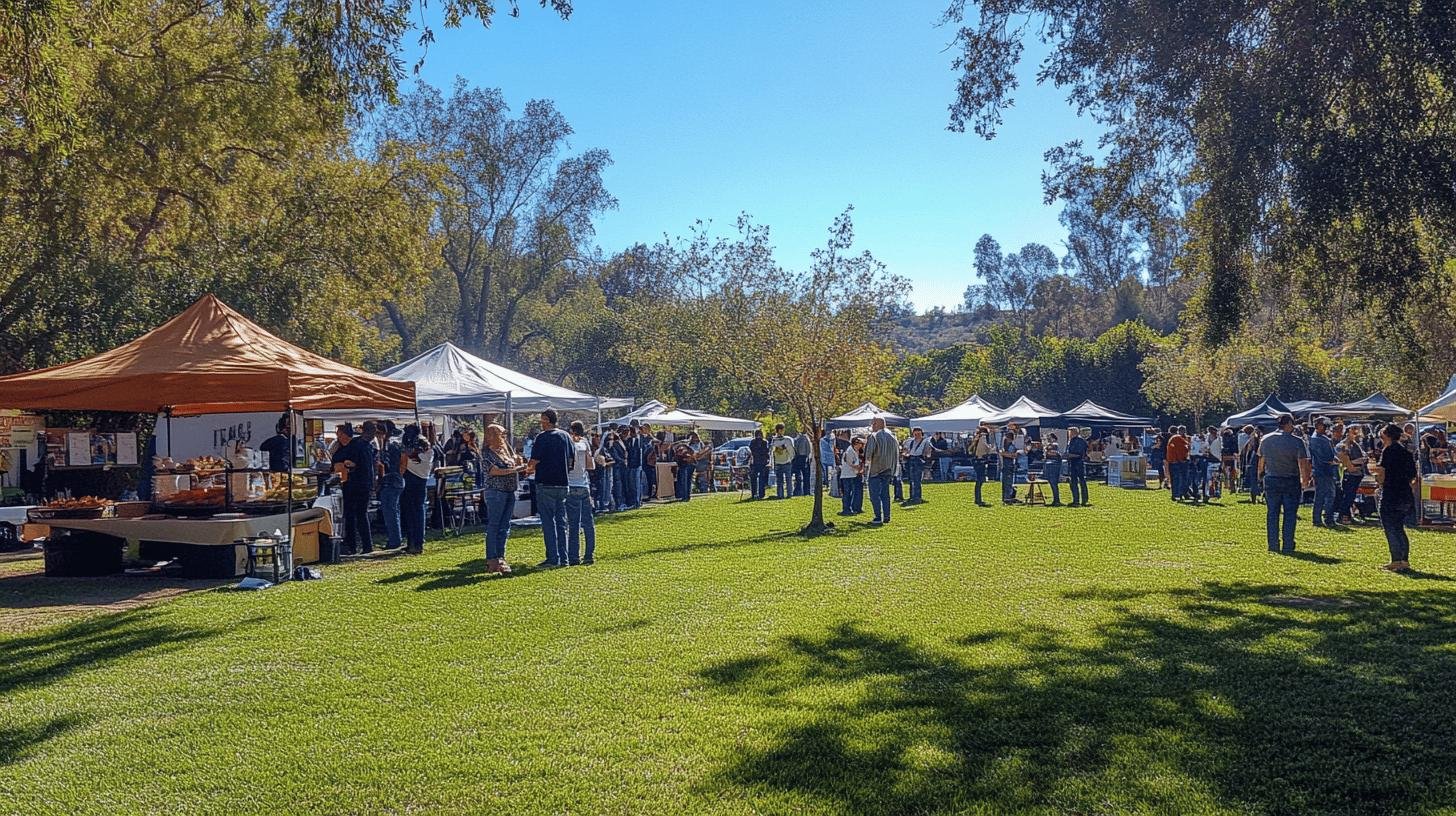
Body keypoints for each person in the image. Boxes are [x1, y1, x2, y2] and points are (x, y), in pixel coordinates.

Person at [1258, 413, 1313, 554]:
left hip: (1272, 479)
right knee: (1289, 514)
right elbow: (1303, 462)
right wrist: (1305, 481)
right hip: (1290, 480)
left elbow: (1261, 461)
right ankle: (1288, 544)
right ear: (1288, 424)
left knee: (1272, 513)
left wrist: (1261, 475)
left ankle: (1273, 544)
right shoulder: (1297, 441)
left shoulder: (1265, 439)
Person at [527, 409, 573, 568]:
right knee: (561, 522)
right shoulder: (566, 436)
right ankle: (564, 558)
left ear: (547, 420)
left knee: (548, 522)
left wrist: (528, 468)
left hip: (545, 483)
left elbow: (534, 461)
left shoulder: (542, 438)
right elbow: (571, 460)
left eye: (542, 420)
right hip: (563, 483)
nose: (541, 423)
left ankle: (553, 558)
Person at [1372, 423, 1418, 571]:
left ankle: (1396, 559)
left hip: (1391, 493)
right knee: (1399, 527)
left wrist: (1378, 480)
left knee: (1390, 527)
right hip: (1405, 493)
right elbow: (1412, 475)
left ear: (1388, 436)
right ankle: (1404, 560)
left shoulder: (1388, 451)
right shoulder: (1406, 452)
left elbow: (1382, 473)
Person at [480, 424, 524, 574]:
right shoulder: (486, 453)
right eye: (501, 434)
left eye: (505, 434)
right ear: (492, 435)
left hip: (509, 491)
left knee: (505, 526)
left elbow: (515, 463)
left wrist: (519, 463)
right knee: (494, 525)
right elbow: (494, 471)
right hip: (495, 492)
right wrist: (514, 470)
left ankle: (501, 558)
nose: (504, 437)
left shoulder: (507, 450)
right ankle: (492, 559)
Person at [331, 421, 376, 555]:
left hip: (355, 484)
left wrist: (348, 464)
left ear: (345, 435)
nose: (338, 438)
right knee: (359, 514)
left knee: (353, 514)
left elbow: (346, 462)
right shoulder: (363, 445)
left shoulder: (355, 446)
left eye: (340, 435)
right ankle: (365, 545)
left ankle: (353, 545)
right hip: (363, 483)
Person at [565, 420, 597, 566]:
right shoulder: (585, 443)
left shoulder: (567, 443)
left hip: (571, 484)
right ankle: (589, 555)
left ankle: (573, 557)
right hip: (584, 485)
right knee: (588, 523)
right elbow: (591, 465)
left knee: (573, 524)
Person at [400, 423, 432, 555]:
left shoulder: (425, 450)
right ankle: (411, 542)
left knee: (417, 512)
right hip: (415, 479)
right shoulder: (426, 449)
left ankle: (417, 543)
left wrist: (408, 452)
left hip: (417, 479)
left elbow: (413, 457)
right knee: (410, 512)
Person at [374, 420, 405, 551]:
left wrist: (379, 481)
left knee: (390, 512)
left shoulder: (388, 445)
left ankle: (394, 540)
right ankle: (396, 538)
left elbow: (383, 465)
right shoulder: (397, 442)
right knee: (394, 511)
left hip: (390, 481)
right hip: (397, 480)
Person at [863, 417, 899, 525]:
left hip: (876, 470)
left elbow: (868, 455)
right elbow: (897, 454)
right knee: (885, 494)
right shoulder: (893, 437)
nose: (872, 426)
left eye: (873, 424)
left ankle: (878, 517)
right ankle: (887, 516)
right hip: (889, 469)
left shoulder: (873, 436)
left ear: (876, 424)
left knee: (874, 495)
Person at [1308, 416, 1339, 527]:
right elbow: (1322, 456)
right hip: (1322, 470)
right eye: (1323, 424)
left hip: (1327, 470)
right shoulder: (1316, 439)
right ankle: (1323, 518)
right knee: (1324, 495)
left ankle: (1324, 518)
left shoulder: (1323, 438)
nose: (1326, 426)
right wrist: (1331, 461)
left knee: (1326, 495)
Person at [1334, 425, 1367, 525]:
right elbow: (1344, 461)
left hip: (1358, 473)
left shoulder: (1356, 444)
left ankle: (1348, 516)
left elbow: (1364, 457)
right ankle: (1341, 516)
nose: (1357, 433)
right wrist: (1354, 463)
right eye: (1354, 430)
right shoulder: (1342, 445)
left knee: (1351, 497)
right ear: (1348, 431)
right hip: (1349, 475)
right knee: (1347, 497)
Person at [899, 427, 930, 505]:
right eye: (915, 434)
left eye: (918, 434)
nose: (917, 436)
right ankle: (912, 497)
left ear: (921, 433)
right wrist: (904, 454)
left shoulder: (925, 441)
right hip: (911, 459)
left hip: (919, 459)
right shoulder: (910, 441)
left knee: (917, 480)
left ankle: (917, 497)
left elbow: (927, 451)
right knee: (911, 479)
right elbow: (906, 450)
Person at [838, 435, 864, 515]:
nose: (861, 446)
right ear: (856, 444)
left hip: (852, 475)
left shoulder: (855, 451)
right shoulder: (850, 451)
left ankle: (851, 508)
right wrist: (860, 468)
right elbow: (851, 464)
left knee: (851, 492)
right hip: (847, 475)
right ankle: (846, 509)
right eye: (860, 444)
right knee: (847, 493)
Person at [622, 421, 645, 509]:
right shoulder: (629, 440)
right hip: (630, 465)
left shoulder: (641, 439)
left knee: (637, 484)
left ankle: (637, 501)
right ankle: (633, 501)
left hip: (637, 465)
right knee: (631, 484)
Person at [1065, 426, 1090, 507]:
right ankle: (1076, 500)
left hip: (1078, 464)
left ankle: (1083, 500)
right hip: (1073, 463)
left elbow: (1079, 454)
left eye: (1070, 432)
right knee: (1073, 483)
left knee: (1081, 482)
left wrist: (1068, 455)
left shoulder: (1079, 441)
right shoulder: (1072, 441)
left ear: (1074, 432)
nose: (1069, 434)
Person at [770, 424, 795, 499]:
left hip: (781, 462)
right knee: (786, 479)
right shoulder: (786, 440)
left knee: (783, 480)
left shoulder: (774, 441)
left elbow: (772, 451)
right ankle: (786, 494)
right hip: (783, 462)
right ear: (780, 430)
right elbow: (791, 451)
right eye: (782, 429)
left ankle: (783, 494)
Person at [970, 427, 993, 506]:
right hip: (980, 461)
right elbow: (986, 448)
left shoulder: (976, 438)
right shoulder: (983, 438)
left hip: (976, 460)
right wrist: (991, 447)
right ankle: (978, 499)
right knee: (980, 480)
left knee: (979, 481)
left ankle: (977, 498)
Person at [1165, 425, 1189, 502]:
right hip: (1176, 462)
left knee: (1175, 479)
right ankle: (1178, 494)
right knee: (1179, 479)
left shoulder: (1173, 438)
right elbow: (1184, 448)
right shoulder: (1178, 438)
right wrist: (1182, 459)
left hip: (1172, 461)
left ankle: (1176, 494)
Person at [998, 425, 1019, 505]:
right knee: (1004, 483)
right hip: (1004, 466)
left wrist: (1002, 454)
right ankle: (1004, 497)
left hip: (1009, 466)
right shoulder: (1004, 446)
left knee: (1008, 483)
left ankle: (1008, 497)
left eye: (1006, 437)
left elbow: (1013, 455)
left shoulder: (1011, 446)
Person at [672, 436, 696, 501]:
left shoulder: (681, 447)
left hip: (685, 465)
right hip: (690, 465)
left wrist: (683, 458)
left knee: (684, 481)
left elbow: (684, 454)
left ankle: (684, 497)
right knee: (688, 481)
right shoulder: (688, 447)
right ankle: (687, 496)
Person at [1042, 432, 1064, 507]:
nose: (1048, 439)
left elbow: (1053, 453)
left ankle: (1057, 500)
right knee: (1052, 483)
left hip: (1054, 466)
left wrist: (1047, 450)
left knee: (1054, 483)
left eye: (1049, 438)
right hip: (1050, 465)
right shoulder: (1049, 445)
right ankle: (1056, 500)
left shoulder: (1054, 445)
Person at [748, 430, 770, 500]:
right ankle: (760, 494)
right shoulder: (764, 442)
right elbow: (766, 451)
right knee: (761, 479)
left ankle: (754, 493)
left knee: (755, 479)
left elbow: (751, 451)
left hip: (756, 462)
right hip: (761, 462)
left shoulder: (753, 442)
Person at [792, 430, 812, 496]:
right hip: (804, 458)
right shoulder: (806, 438)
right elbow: (809, 449)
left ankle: (798, 491)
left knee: (798, 476)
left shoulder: (797, 439)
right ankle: (806, 491)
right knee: (806, 476)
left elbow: (795, 449)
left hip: (798, 458)